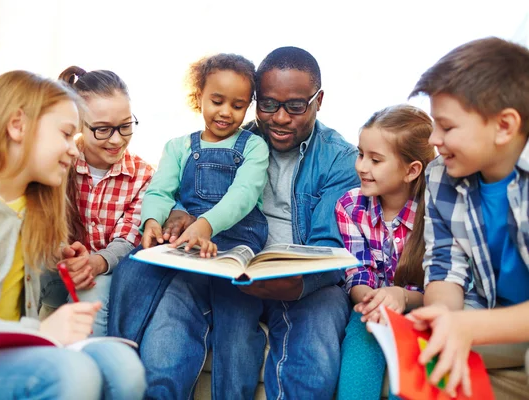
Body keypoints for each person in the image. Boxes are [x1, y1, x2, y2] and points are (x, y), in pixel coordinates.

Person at [114, 46, 360, 399]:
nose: (279, 118)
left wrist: (296, 285)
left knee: (313, 355)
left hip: (303, 284)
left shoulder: (340, 158)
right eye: (268, 104)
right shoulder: (232, 136)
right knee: (169, 328)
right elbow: (188, 189)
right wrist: (176, 213)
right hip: (224, 262)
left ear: (318, 100)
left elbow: (330, 248)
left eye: (295, 106)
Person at [0, 70, 146, 399]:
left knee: (122, 364)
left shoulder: (37, 206)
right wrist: (40, 330)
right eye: (66, 134)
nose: (75, 151)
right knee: (71, 372)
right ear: (17, 126)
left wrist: (57, 255)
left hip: (13, 353)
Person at [112, 53, 270, 396]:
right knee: (132, 268)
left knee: (236, 319)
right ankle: (117, 358)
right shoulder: (179, 146)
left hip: (235, 240)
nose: (226, 111)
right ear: (198, 95)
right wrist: (153, 221)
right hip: (188, 242)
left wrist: (207, 225)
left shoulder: (254, 147)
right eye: (217, 100)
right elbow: (159, 190)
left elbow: (243, 195)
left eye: (238, 105)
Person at [406, 37, 529, 399]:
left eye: (446, 126)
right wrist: (444, 320)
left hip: (504, 322)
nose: (433, 139)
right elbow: (444, 265)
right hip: (490, 313)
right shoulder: (440, 175)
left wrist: (468, 325)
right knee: (425, 357)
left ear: (504, 126)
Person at [39, 67, 154, 336]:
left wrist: (96, 262)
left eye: (125, 126)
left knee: (94, 290)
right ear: (79, 124)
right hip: (55, 266)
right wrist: (61, 253)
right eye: (102, 129)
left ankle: (84, 370)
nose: (116, 139)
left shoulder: (144, 176)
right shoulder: (58, 161)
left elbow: (127, 239)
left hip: (104, 274)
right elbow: (41, 220)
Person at [335, 104, 435, 400]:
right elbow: (357, 272)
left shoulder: (436, 212)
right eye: (361, 154)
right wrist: (374, 303)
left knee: (408, 385)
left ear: (411, 170)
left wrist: (402, 297)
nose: (361, 166)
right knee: (358, 358)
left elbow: (444, 286)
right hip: (368, 310)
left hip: (422, 311)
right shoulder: (350, 206)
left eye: (375, 160)